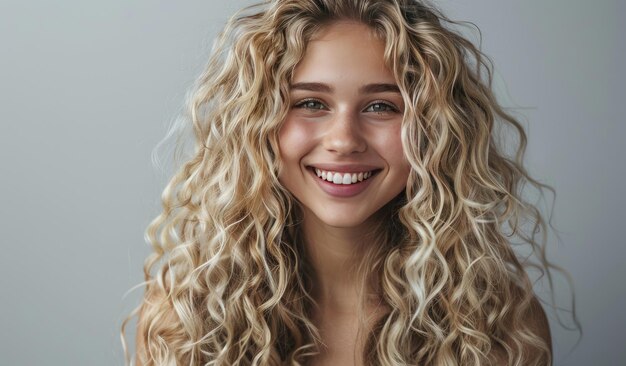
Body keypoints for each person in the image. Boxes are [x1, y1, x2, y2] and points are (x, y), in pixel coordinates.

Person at [122, 0, 561, 364]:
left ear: (434, 129)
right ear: (255, 122)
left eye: (381, 107)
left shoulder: (499, 330)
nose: (344, 141)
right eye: (311, 102)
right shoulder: (182, 323)